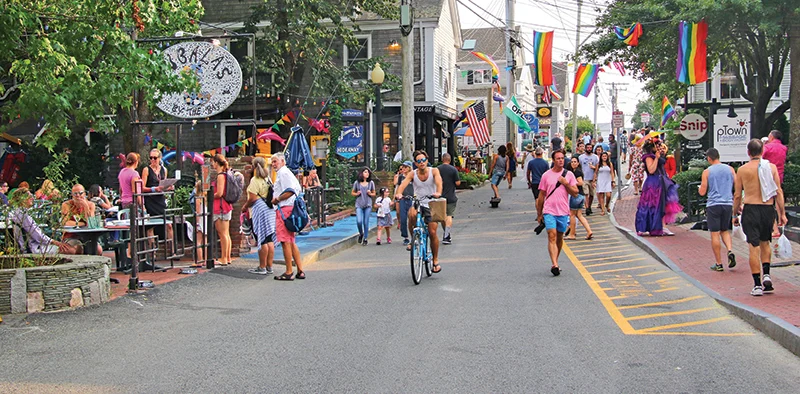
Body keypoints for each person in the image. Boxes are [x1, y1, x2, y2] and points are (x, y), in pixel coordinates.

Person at [733, 139, 787, 296]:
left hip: (751, 208)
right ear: (762, 151)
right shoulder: (771, 168)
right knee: (766, 243)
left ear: (748, 152)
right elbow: (779, 192)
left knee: (753, 246)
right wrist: (781, 214)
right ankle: (767, 275)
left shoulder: (742, 170)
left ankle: (757, 285)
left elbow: (737, 195)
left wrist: (735, 213)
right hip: (767, 209)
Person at [395, 150, 443, 273]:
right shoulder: (412, 174)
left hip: (432, 203)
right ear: (415, 163)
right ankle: (413, 238)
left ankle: (435, 260)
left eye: (423, 160)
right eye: (419, 161)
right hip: (418, 202)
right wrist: (399, 193)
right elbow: (403, 184)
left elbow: (439, 182)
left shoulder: (434, 171)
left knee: (432, 232)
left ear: (427, 161)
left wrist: (438, 192)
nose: (421, 163)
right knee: (411, 214)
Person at [537, 150, 579, 276]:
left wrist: (566, 184)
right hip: (549, 210)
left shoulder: (569, 175)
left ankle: (556, 260)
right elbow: (541, 196)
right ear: (553, 160)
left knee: (559, 237)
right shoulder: (546, 175)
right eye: (558, 158)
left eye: (562, 158)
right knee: (552, 235)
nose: (561, 160)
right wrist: (539, 213)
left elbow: (575, 193)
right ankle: (554, 264)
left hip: (563, 210)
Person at [698, 148, 737, 272]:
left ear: (709, 158)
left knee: (714, 233)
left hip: (713, 204)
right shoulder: (730, 169)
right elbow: (737, 185)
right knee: (724, 230)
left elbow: (703, 191)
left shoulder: (707, 172)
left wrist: (699, 189)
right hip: (727, 203)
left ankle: (719, 263)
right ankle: (730, 250)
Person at [635, 138, 682, 236]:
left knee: (662, 205)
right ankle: (649, 226)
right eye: (657, 145)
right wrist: (656, 158)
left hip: (661, 181)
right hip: (653, 184)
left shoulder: (657, 155)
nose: (659, 147)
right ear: (652, 147)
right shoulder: (648, 157)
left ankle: (662, 226)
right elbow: (651, 170)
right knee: (652, 205)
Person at [8, 188, 77, 254]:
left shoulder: (18, 212)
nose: (33, 198)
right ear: (22, 199)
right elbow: (38, 236)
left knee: (76, 247)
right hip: (34, 249)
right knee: (73, 250)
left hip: (35, 246)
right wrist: (56, 242)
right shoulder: (23, 215)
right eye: (30, 196)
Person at [272, 152, 306, 281]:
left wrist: (277, 199)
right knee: (291, 241)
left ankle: (288, 271)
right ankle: (300, 269)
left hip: (284, 209)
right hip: (290, 208)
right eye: (272, 162)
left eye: (275, 161)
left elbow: (290, 190)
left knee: (285, 241)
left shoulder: (283, 173)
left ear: (282, 161)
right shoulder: (287, 173)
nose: (273, 164)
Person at [245, 157, 276, 275]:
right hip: (269, 209)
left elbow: (252, 198)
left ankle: (262, 266)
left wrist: (245, 206)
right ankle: (269, 266)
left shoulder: (255, 180)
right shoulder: (267, 178)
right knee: (269, 238)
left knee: (261, 238)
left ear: (253, 166)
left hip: (259, 210)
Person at [141, 149, 174, 253]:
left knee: (168, 224)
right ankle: (152, 251)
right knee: (150, 226)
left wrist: (168, 187)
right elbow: (141, 187)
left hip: (160, 199)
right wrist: (154, 189)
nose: (153, 160)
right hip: (150, 199)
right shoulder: (146, 170)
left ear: (160, 158)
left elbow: (163, 184)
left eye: (155, 158)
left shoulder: (164, 170)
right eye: (151, 158)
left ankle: (172, 250)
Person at [61, 184, 102, 255]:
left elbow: (91, 223)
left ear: (85, 194)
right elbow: (65, 223)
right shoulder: (67, 204)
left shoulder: (91, 205)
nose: (78, 196)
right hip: (71, 236)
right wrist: (82, 224)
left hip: (88, 236)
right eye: (75, 193)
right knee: (77, 249)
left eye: (80, 193)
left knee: (98, 250)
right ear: (72, 195)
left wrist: (85, 207)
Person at [211, 154, 233, 266]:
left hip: (220, 207)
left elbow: (219, 193)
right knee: (226, 233)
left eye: (213, 162)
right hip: (226, 206)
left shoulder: (220, 176)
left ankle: (224, 258)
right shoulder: (226, 174)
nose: (212, 164)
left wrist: (209, 195)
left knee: (222, 233)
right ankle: (228, 257)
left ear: (216, 163)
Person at [565, 157, 592, 240]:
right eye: (572, 162)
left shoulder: (577, 172)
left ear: (578, 163)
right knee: (579, 215)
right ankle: (589, 231)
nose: (573, 163)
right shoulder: (574, 171)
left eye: (575, 162)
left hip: (576, 196)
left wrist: (571, 184)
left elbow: (580, 182)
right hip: (581, 196)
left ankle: (572, 234)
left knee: (572, 215)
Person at [437, 153, 461, 245]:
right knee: (449, 216)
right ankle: (446, 235)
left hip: (439, 196)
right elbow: (458, 182)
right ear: (450, 160)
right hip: (451, 196)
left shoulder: (437, 169)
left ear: (442, 159)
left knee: (443, 217)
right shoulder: (453, 169)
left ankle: (446, 234)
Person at [352, 167, 376, 246]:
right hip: (359, 204)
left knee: (366, 222)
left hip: (368, 204)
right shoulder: (357, 183)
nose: (367, 174)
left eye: (368, 172)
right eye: (365, 172)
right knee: (359, 221)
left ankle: (365, 238)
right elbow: (352, 193)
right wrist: (357, 193)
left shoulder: (371, 183)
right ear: (361, 173)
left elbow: (374, 193)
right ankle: (361, 233)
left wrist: (370, 194)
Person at [394, 161, 414, 245]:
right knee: (403, 218)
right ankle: (405, 237)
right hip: (402, 199)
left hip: (411, 199)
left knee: (412, 219)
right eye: (403, 167)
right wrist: (396, 197)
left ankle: (414, 236)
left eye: (406, 167)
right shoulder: (401, 177)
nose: (404, 169)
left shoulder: (413, 177)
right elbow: (398, 187)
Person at [578, 143, 599, 215]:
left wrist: (594, 169)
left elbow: (598, 167)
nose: (589, 149)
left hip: (592, 178)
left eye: (590, 147)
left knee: (592, 194)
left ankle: (589, 206)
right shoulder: (581, 157)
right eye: (588, 147)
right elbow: (579, 167)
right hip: (584, 178)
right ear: (585, 148)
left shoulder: (595, 157)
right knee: (586, 194)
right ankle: (587, 208)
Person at [593, 151, 616, 216]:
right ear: (601, 157)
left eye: (605, 156)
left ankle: (607, 205)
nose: (604, 157)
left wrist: (613, 181)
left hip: (608, 180)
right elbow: (595, 173)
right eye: (603, 156)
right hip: (600, 181)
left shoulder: (610, 164)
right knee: (601, 195)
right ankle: (603, 209)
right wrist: (594, 181)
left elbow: (612, 172)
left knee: (608, 195)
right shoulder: (598, 164)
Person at [191, 180, 208, 265]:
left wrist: (196, 223)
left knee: (198, 241)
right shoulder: (206, 198)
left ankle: (200, 260)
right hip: (205, 219)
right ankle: (205, 260)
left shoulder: (198, 198)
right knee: (205, 240)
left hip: (200, 219)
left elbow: (197, 212)